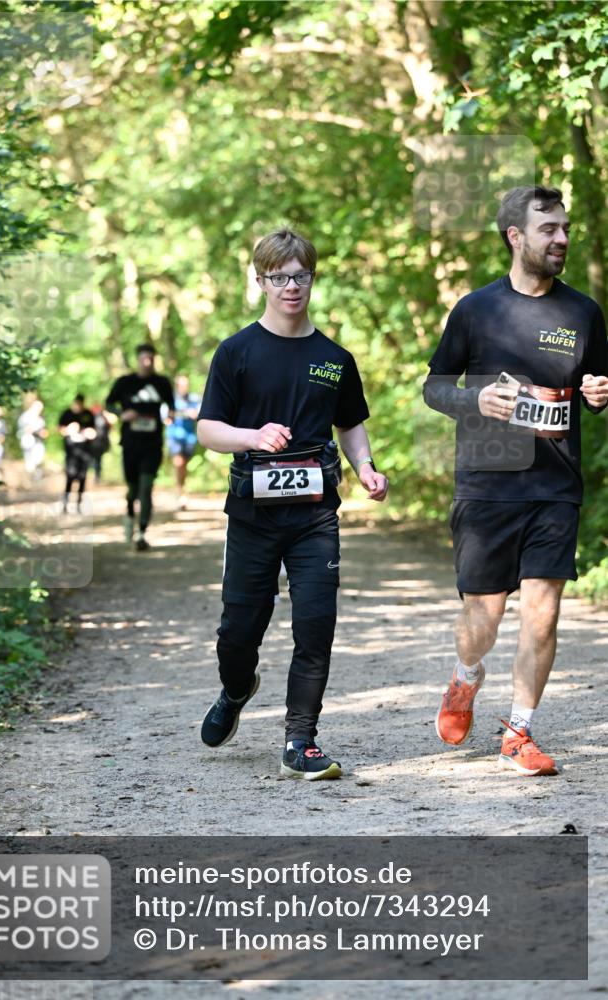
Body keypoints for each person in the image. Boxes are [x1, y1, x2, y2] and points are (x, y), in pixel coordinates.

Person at [423, 185, 608, 776]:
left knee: (544, 612)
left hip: (554, 484)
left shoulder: (583, 312)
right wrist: (477, 399)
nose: (561, 239)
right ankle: (466, 676)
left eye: (565, 228)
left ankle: (519, 731)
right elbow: (433, 388)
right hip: (487, 482)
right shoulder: (477, 309)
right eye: (548, 229)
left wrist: (600, 395)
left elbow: (594, 387)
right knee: (483, 620)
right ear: (515, 237)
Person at [197, 228, 388, 780]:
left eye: (300, 275)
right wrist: (253, 437)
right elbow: (208, 429)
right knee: (238, 632)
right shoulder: (236, 352)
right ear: (260, 280)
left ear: (312, 277)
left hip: (315, 516)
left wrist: (366, 469)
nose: (290, 287)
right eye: (278, 277)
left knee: (315, 624)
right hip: (253, 516)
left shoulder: (334, 358)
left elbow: (350, 423)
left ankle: (300, 741)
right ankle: (236, 690)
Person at [106, 344, 174, 551]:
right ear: (138, 359)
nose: (147, 363)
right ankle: (129, 512)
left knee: (146, 488)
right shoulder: (125, 382)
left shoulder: (162, 383)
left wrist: (169, 415)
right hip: (130, 443)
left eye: (151, 359)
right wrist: (122, 414)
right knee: (133, 489)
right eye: (144, 359)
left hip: (152, 444)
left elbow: (171, 406)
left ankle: (141, 533)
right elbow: (109, 404)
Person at [165, 374, 201, 509]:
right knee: (179, 463)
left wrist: (195, 414)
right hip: (174, 437)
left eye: (185, 385)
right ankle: (181, 493)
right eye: (180, 385)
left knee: (184, 466)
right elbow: (165, 417)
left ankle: (181, 487)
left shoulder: (194, 399)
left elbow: (202, 414)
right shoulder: (171, 400)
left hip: (189, 438)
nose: (183, 387)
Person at [58, 394, 96, 513]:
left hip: (85, 451)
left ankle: (79, 503)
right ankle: (65, 503)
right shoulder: (67, 414)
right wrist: (69, 429)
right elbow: (59, 429)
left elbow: (94, 432)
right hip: (71, 451)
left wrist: (88, 432)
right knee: (70, 476)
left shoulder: (88, 414)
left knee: (82, 477)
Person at [17, 396, 47, 483]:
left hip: (39, 442)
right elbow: (21, 430)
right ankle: (28, 480)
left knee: (38, 460)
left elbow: (43, 430)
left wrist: (42, 433)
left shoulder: (40, 419)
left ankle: (37, 480)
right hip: (29, 441)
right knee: (29, 462)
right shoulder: (25, 417)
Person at [89, 401, 113, 483]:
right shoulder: (97, 417)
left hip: (99, 443)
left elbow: (110, 427)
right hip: (97, 443)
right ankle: (96, 476)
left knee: (97, 460)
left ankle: (97, 476)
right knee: (96, 460)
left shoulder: (103, 418)